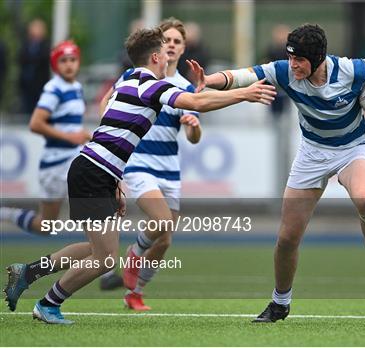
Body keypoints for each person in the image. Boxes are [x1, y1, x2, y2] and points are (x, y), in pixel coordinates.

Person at [4, 27, 276, 325]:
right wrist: (245, 94)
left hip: (97, 172)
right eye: (165, 49)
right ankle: (48, 304)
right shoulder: (149, 86)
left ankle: (28, 273)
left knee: (96, 250)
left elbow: (110, 132)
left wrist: (116, 179)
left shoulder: (130, 80)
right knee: (105, 257)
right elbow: (197, 103)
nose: (169, 53)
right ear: (157, 56)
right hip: (93, 173)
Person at [201, 24, 365, 323]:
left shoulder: (351, 70)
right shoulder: (285, 71)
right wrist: (207, 80)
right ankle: (280, 302)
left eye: (299, 60)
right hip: (312, 153)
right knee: (287, 238)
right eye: (290, 58)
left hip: (352, 147)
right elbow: (242, 76)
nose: (292, 65)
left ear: (319, 58)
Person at [120, 17, 202, 310]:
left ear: (183, 49)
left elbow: (193, 137)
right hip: (140, 162)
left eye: (177, 42)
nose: (171, 45)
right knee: (161, 221)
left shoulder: (186, 88)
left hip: (169, 167)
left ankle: (135, 292)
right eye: (166, 40)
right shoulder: (138, 75)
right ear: (158, 46)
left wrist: (192, 125)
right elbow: (109, 103)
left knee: (165, 240)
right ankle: (135, 251)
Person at [1, 40, 92, 235]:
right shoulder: (53, 89)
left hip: (73, 159)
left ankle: (103, 260)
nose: (69, 64)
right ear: (55, 64)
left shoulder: (76, 87)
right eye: (63, 60)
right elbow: (35, 123)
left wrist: (84, 135)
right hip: (55, 164)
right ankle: (6, 214)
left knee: (92, 212)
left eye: (73, 59)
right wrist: (69, 137)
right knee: (46, 227)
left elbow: (70, 125)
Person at [18, 18, 51, 115]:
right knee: (26, 106)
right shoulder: (26, 44)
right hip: (26, 82)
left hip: (40, 82)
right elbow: (21, 59)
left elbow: (44, 59)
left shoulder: (46, 45)